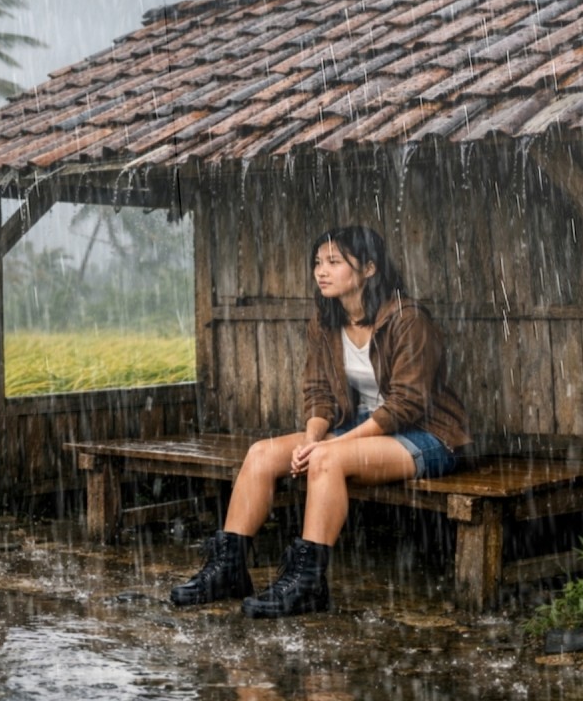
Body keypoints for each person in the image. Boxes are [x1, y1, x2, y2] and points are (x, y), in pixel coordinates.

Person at [169, 225, 472, 618]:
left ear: (368, 269)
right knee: (262, 453)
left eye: (333, 262)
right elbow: (318, 394)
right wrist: (313, 439)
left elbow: (406, 405)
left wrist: (330, 447)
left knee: (327, 461)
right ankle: (228, 569)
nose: (321, 271)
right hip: (361, 426)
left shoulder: (408, 319)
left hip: (428, 434)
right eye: (317, 262)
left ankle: (308, 584)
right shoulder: (325, 321)